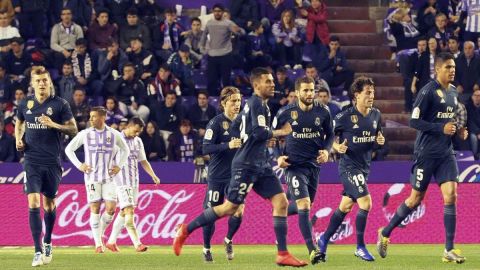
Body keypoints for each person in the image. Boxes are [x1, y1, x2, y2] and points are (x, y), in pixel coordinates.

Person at [173, 67, 307, 267]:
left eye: (273, 81)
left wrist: (248, 139)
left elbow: (241, 129)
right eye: (268, 81)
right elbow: (261, 133)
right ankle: (186, 229)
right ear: (256, 85)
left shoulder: (253, 106)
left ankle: (282, 253)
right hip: (246, 165)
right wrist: (281, 132)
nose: (273, 84)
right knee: (230, 207)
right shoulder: (256, 105)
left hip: (261, 163)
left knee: (281, 203)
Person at [377, 52, 468, 264]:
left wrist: (459, 131)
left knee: (451, 195)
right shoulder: (427, 91)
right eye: (447, 67)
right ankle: (386, 232)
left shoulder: (453, 92)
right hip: (426, 154)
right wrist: (440, 128)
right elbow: (414, 122)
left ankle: (448, 249)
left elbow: (450, 121)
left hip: (445, 153)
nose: (452, 70)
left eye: (453, 66)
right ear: (437, 69)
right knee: (415, 199)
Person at [317, 76, 385, 262]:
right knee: (366, 203)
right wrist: (336, 147)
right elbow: (328, 137)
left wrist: (380, 141)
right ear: (357, 95)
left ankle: (323, 239)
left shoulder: (376, 115)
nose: (372, 96)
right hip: (348, 167)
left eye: (373, 92)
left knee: (345, 206)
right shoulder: (344, 117)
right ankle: (360, 247)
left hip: (364, 168)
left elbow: (376, 140)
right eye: (368, 93)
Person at [15, 66, 78, 266]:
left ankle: (48, 240)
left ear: (49, 82)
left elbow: (74, 130)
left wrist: (54, 125)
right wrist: (18, 139)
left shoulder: (60, 104)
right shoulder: (25, 103)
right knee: (33, 202)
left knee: (49, 205)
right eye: (38, 80)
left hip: (51, 162)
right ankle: (37, 251)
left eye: (45, 80)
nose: (42, 83)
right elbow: (19, 122)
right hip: (31, 160)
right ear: (33, 84)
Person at [273, 76, 334, 265]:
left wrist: (326, 150)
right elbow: (272, 134)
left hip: (313, 166)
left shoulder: (323, 111)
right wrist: (278, 156)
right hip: (294, 166)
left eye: (311, 90)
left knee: (304, 207)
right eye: (305, 90)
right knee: (305, 205)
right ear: (297, 92)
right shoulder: (285, 112)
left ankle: (280, 212)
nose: (309, 94)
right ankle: (313, 251)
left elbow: (330, 134)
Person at [65, 106, 130, 253]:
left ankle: (98, 234)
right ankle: (98, 244)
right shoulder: (85, 134)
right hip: (92, 178)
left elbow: (126, 149)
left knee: (111, 209)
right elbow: (69, 149)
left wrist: (119, 165)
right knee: (94, 208)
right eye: (90, 116)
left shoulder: (114, 134)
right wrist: (79, 165)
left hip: (109, 177)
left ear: (103, 117)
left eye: (93, 116)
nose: (90, 119)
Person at [200, 86, 244, 262]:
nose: (237, 104)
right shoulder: (216, 123)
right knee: (211, 214)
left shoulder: (243, 122)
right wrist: (228, 145)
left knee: (239, 210)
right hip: (217, 176)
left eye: (239, 101)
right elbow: (205, 148)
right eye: (233, 101)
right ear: (224, 102)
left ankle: (228, 239)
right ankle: (206, 248)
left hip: (236, 176)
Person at [106, 117, 160, 253]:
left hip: (134, 182)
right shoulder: (116, 139)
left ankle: (111, 242)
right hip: (121, 182)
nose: (136, 134)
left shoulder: (138, 141)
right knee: (130, 211)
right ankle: (138, 244)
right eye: (135, 131)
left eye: (139, 132)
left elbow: (143, 161)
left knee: (124, 212)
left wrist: (153, 175)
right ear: (129, 126)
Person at [200, 3, 245, 96]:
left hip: (225, 56)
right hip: (212, 56)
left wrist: (239, 31)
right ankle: (212, 99)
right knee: (211, 80)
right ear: (213, 12)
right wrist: (202, 48)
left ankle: (226, 101)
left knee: (226, 80)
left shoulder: (228, 23)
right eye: (215, 11)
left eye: (219, 11)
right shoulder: (209, 23)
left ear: (222, 12)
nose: (217, 13)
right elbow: (204, 35)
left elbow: (241, 32)